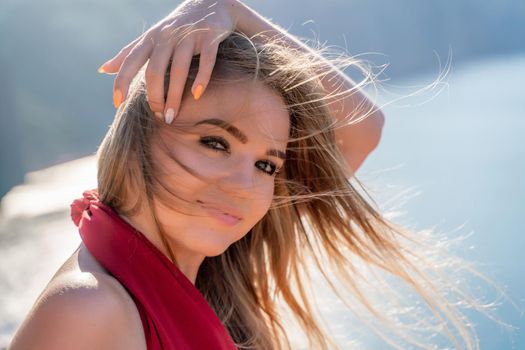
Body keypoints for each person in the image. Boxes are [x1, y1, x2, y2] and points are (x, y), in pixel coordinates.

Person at [9, 0, 486, 349]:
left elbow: (363, 127)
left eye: (266, 164)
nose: (245, 186)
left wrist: (229, 10)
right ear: (138, 141)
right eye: (215, 143)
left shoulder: (208, 275)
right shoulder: (89, 311)